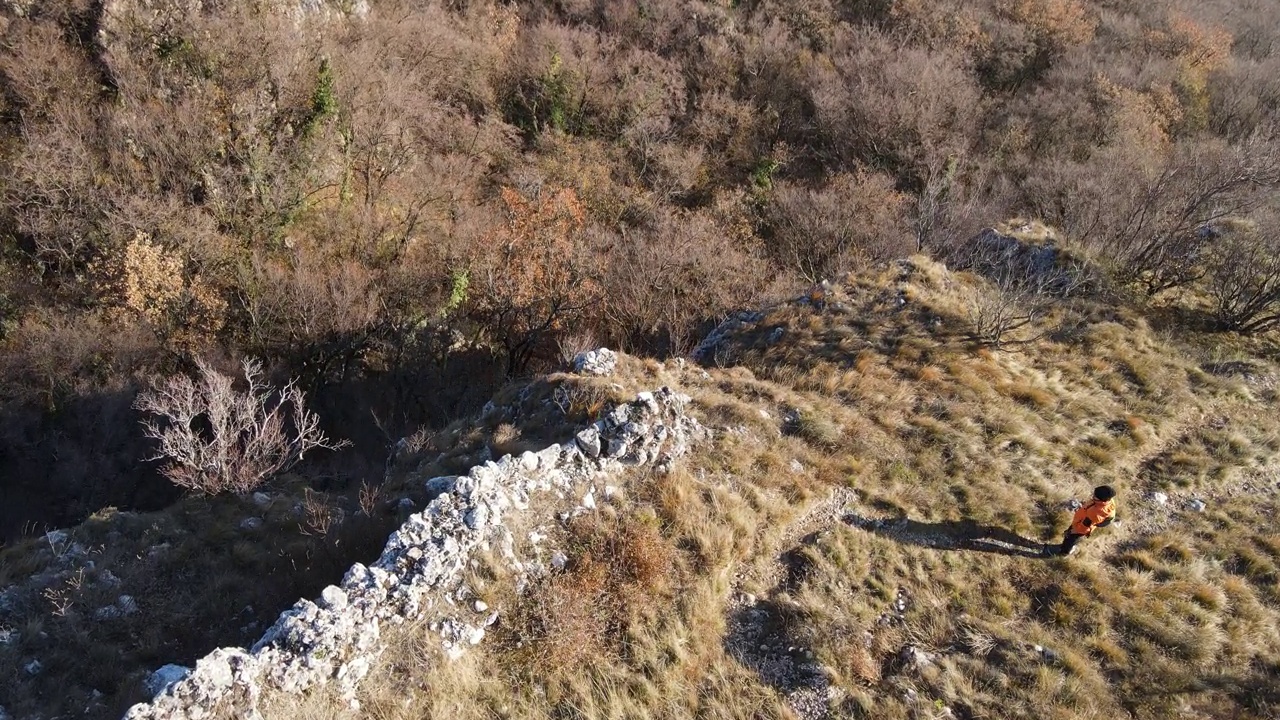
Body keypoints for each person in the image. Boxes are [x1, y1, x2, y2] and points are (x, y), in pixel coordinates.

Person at [1046, 485, 1118, 557]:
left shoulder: (1095, 512)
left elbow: (1085, 526)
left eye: (1095, 496)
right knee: (1070, 537)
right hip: (1081, 521)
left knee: (1070, 538)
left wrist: (1075, 530)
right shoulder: (1108, 501)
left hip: (1080, 527)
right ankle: (1066, 546)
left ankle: (1064, 553)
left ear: (1101, 499)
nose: (1092, 496)